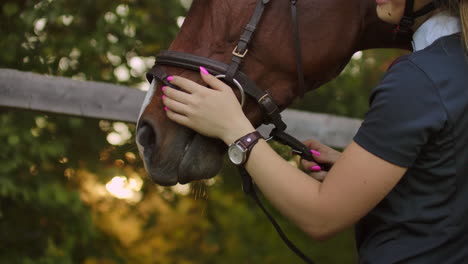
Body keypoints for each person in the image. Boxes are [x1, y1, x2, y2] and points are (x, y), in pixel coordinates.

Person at [161, 0, 468, 262]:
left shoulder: (418, 79)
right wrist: (354, 173)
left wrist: (234, 129)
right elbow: (446, 183)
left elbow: (321, 217)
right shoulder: (453, 68)